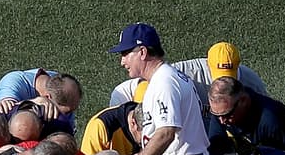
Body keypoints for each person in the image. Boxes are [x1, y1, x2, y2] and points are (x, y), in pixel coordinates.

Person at [109, 23, 212, 155]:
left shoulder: (165, 82)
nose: (122, 61)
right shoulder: (165, 78)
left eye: (126, 53)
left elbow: (166, 133)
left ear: (142, 52)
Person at [109, 40, 270, 108]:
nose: (224, 80)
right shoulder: (187, 73)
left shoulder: (252, 82)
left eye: (230, 73)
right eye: (219, 73)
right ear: (207, 65)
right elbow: (143, 84)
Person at [206, 77, 285, 155]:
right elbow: (216, 151)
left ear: (244, 101)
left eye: (226, 115)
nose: (221, 120)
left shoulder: (271, 120)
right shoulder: (223, 112)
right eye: (216, 114)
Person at [0, 70, 83, 132]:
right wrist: (33, 103)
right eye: (67, 112)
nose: (68, 116)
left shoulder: (57, 83)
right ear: (47, 97)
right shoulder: (13, 84)